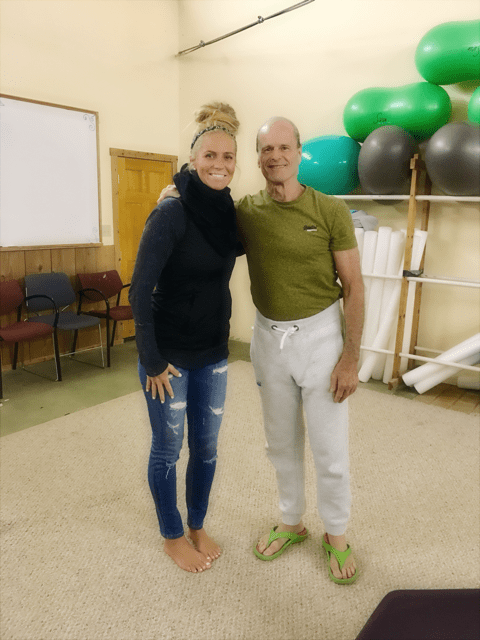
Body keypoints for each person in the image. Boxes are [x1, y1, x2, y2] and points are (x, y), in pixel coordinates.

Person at [158, 116, 363, 584]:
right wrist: (173, 194)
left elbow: (354, 286)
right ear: (257, 157)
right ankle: (292, 521)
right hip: (269, 340)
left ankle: (336, 533)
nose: (276, 156)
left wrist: (351, 357)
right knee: (280, 443)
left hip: (322, 339)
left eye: (284, 147)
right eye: (267, 149)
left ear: (299, 151)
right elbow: (203, 211)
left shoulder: (330, 210)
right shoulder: (246, 212)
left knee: (329, 448)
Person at [129, 102, 240, 574]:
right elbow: (138, 291)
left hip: (213, 353)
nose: (219, 165)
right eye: (210, 156)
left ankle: (196, 524)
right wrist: (152, 360)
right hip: (169, 357)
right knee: (168, 449)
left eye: (228, 157)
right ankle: (172, 535)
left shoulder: (226, 211)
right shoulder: (170, 212)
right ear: (193, 159)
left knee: (207, 448)